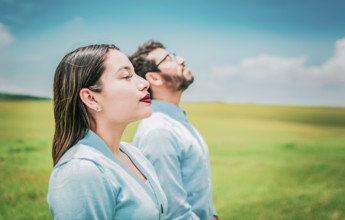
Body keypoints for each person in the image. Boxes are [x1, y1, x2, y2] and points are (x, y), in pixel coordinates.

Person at [47, 44, 167, 220]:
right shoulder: (81, 171)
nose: (144, 83)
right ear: (91, 98)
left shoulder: (133, 154)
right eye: (126, 76)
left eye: (134, 73)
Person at [130, 40, 218, 220]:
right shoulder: (159, 131)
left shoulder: (175, 122)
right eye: (169, 58)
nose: (182, 60)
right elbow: (173, 213)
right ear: (154, 78)